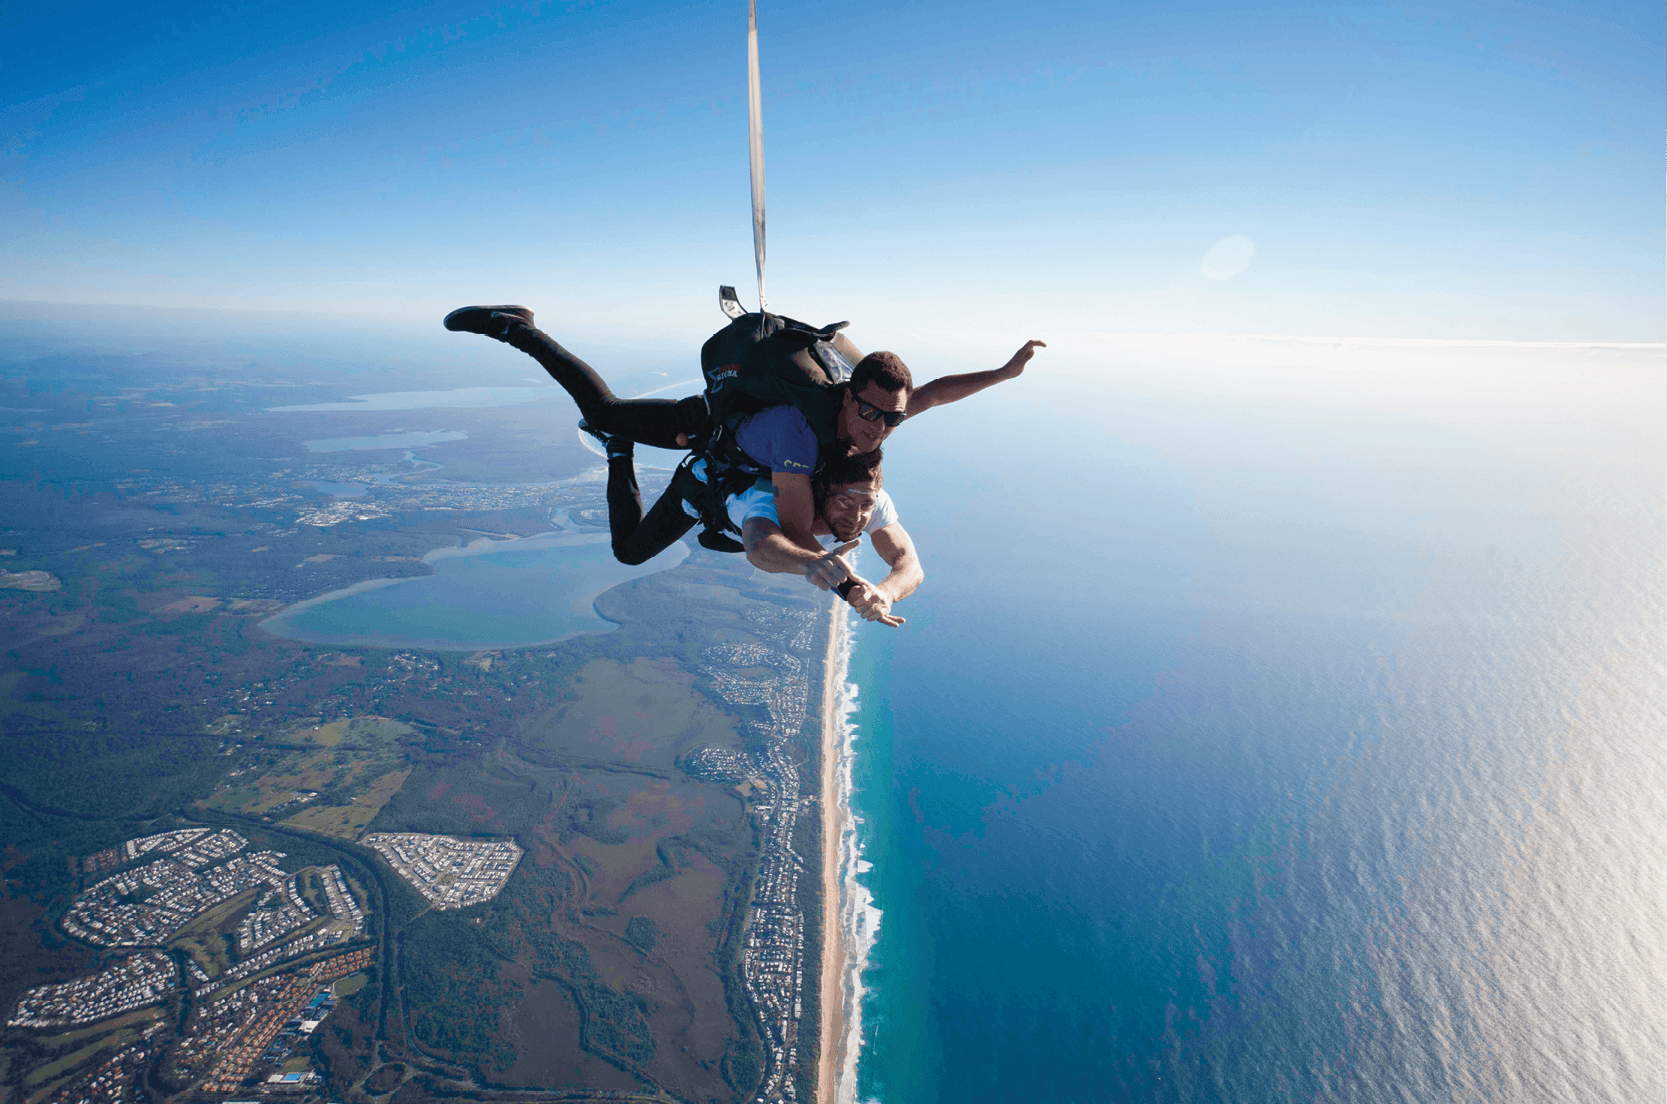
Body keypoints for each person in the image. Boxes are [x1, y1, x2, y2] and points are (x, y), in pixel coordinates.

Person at [443, 304, 1043, 563]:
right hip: (702, 431)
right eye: (872, 413)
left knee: (627, 552)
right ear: (849, 394)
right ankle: (512, 327)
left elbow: (935, 390)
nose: (880, 429)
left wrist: (1005, 372)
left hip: (730, 464)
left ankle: (619, 451)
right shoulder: (798, 430)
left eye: (892, 419)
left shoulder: (875, 420)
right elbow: (785, 528)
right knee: (602, 409)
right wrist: (840, 574)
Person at [731, 450, 920, 628]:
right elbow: (757, 546)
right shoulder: (776, 498)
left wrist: (887, 593)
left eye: (866, 505)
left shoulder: (869, 497)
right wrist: (808, 562)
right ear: (820, 493)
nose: (855, 517)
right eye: (844, 502)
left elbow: (910, 563)